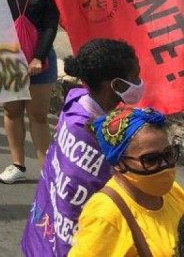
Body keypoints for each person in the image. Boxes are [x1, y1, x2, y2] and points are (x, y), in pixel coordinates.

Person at [21, 38, 141, 256]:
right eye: (135, 78)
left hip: (43, 234)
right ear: (114, 85)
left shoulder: (76, 102)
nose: (140, 83)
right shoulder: (91, 135)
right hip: (69, 243)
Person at [69, 106, 183, 256]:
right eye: (151, 159)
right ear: (119, 163)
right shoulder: (105, 216)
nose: (164, 165)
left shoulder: (172, 190)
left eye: (169, 154)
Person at [0, 0, 60, 185]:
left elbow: (50, 26)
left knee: (39, 116)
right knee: (11, 111)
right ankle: (17, 164)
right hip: (9, 58)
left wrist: (38, 57)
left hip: (39, 61)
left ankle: (47, 172)